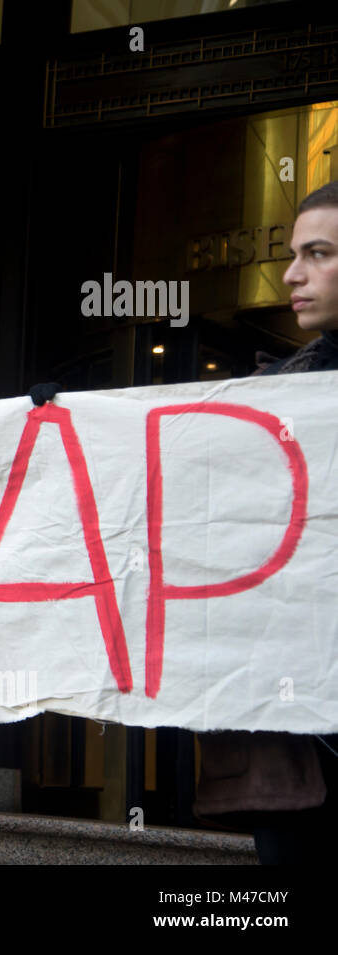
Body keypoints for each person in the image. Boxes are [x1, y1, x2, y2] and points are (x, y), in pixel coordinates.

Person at [191, 181, 338, 863]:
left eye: (319, 253)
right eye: (291, 254)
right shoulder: (266, 402)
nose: (292, 274)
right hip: (295, 751)